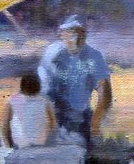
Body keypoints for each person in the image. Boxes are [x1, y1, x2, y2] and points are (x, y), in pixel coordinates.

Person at [37, 15, 112, 147]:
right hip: (52, 113)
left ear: (85, 35)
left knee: (81, 147)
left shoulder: (94, 56)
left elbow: (104, 92)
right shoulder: (52, 53)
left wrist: (95, 124)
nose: (75, 37)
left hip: (81, 116)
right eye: (70, 32)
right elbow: (43, 91)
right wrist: (48, 123)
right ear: (61, 34)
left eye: (79, 33)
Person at [3, 73, 56, 148]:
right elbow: (52, 125)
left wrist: (9, 146)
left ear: (22, 86)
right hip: (40, 144)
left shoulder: (13, 101)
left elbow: (5, 128)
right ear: (38, 86)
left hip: (19, 145)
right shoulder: (45, 102)